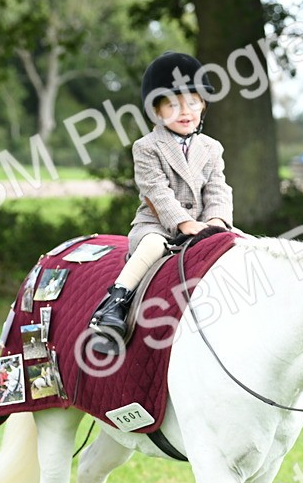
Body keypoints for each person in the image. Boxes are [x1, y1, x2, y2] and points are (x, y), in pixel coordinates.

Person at [87, 52, 233, 353]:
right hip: (158, 225)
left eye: (193, 102)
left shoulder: (211, 147)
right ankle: (113, 305)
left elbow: (218, 189)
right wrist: (184, 223)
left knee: (238, 245)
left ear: (203, 105)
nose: (185, 111)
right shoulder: (146, 147)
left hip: (204, 226)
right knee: (152, 245)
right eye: (173, 104)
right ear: (157, 110)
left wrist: (217, 223)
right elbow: (156, 193)